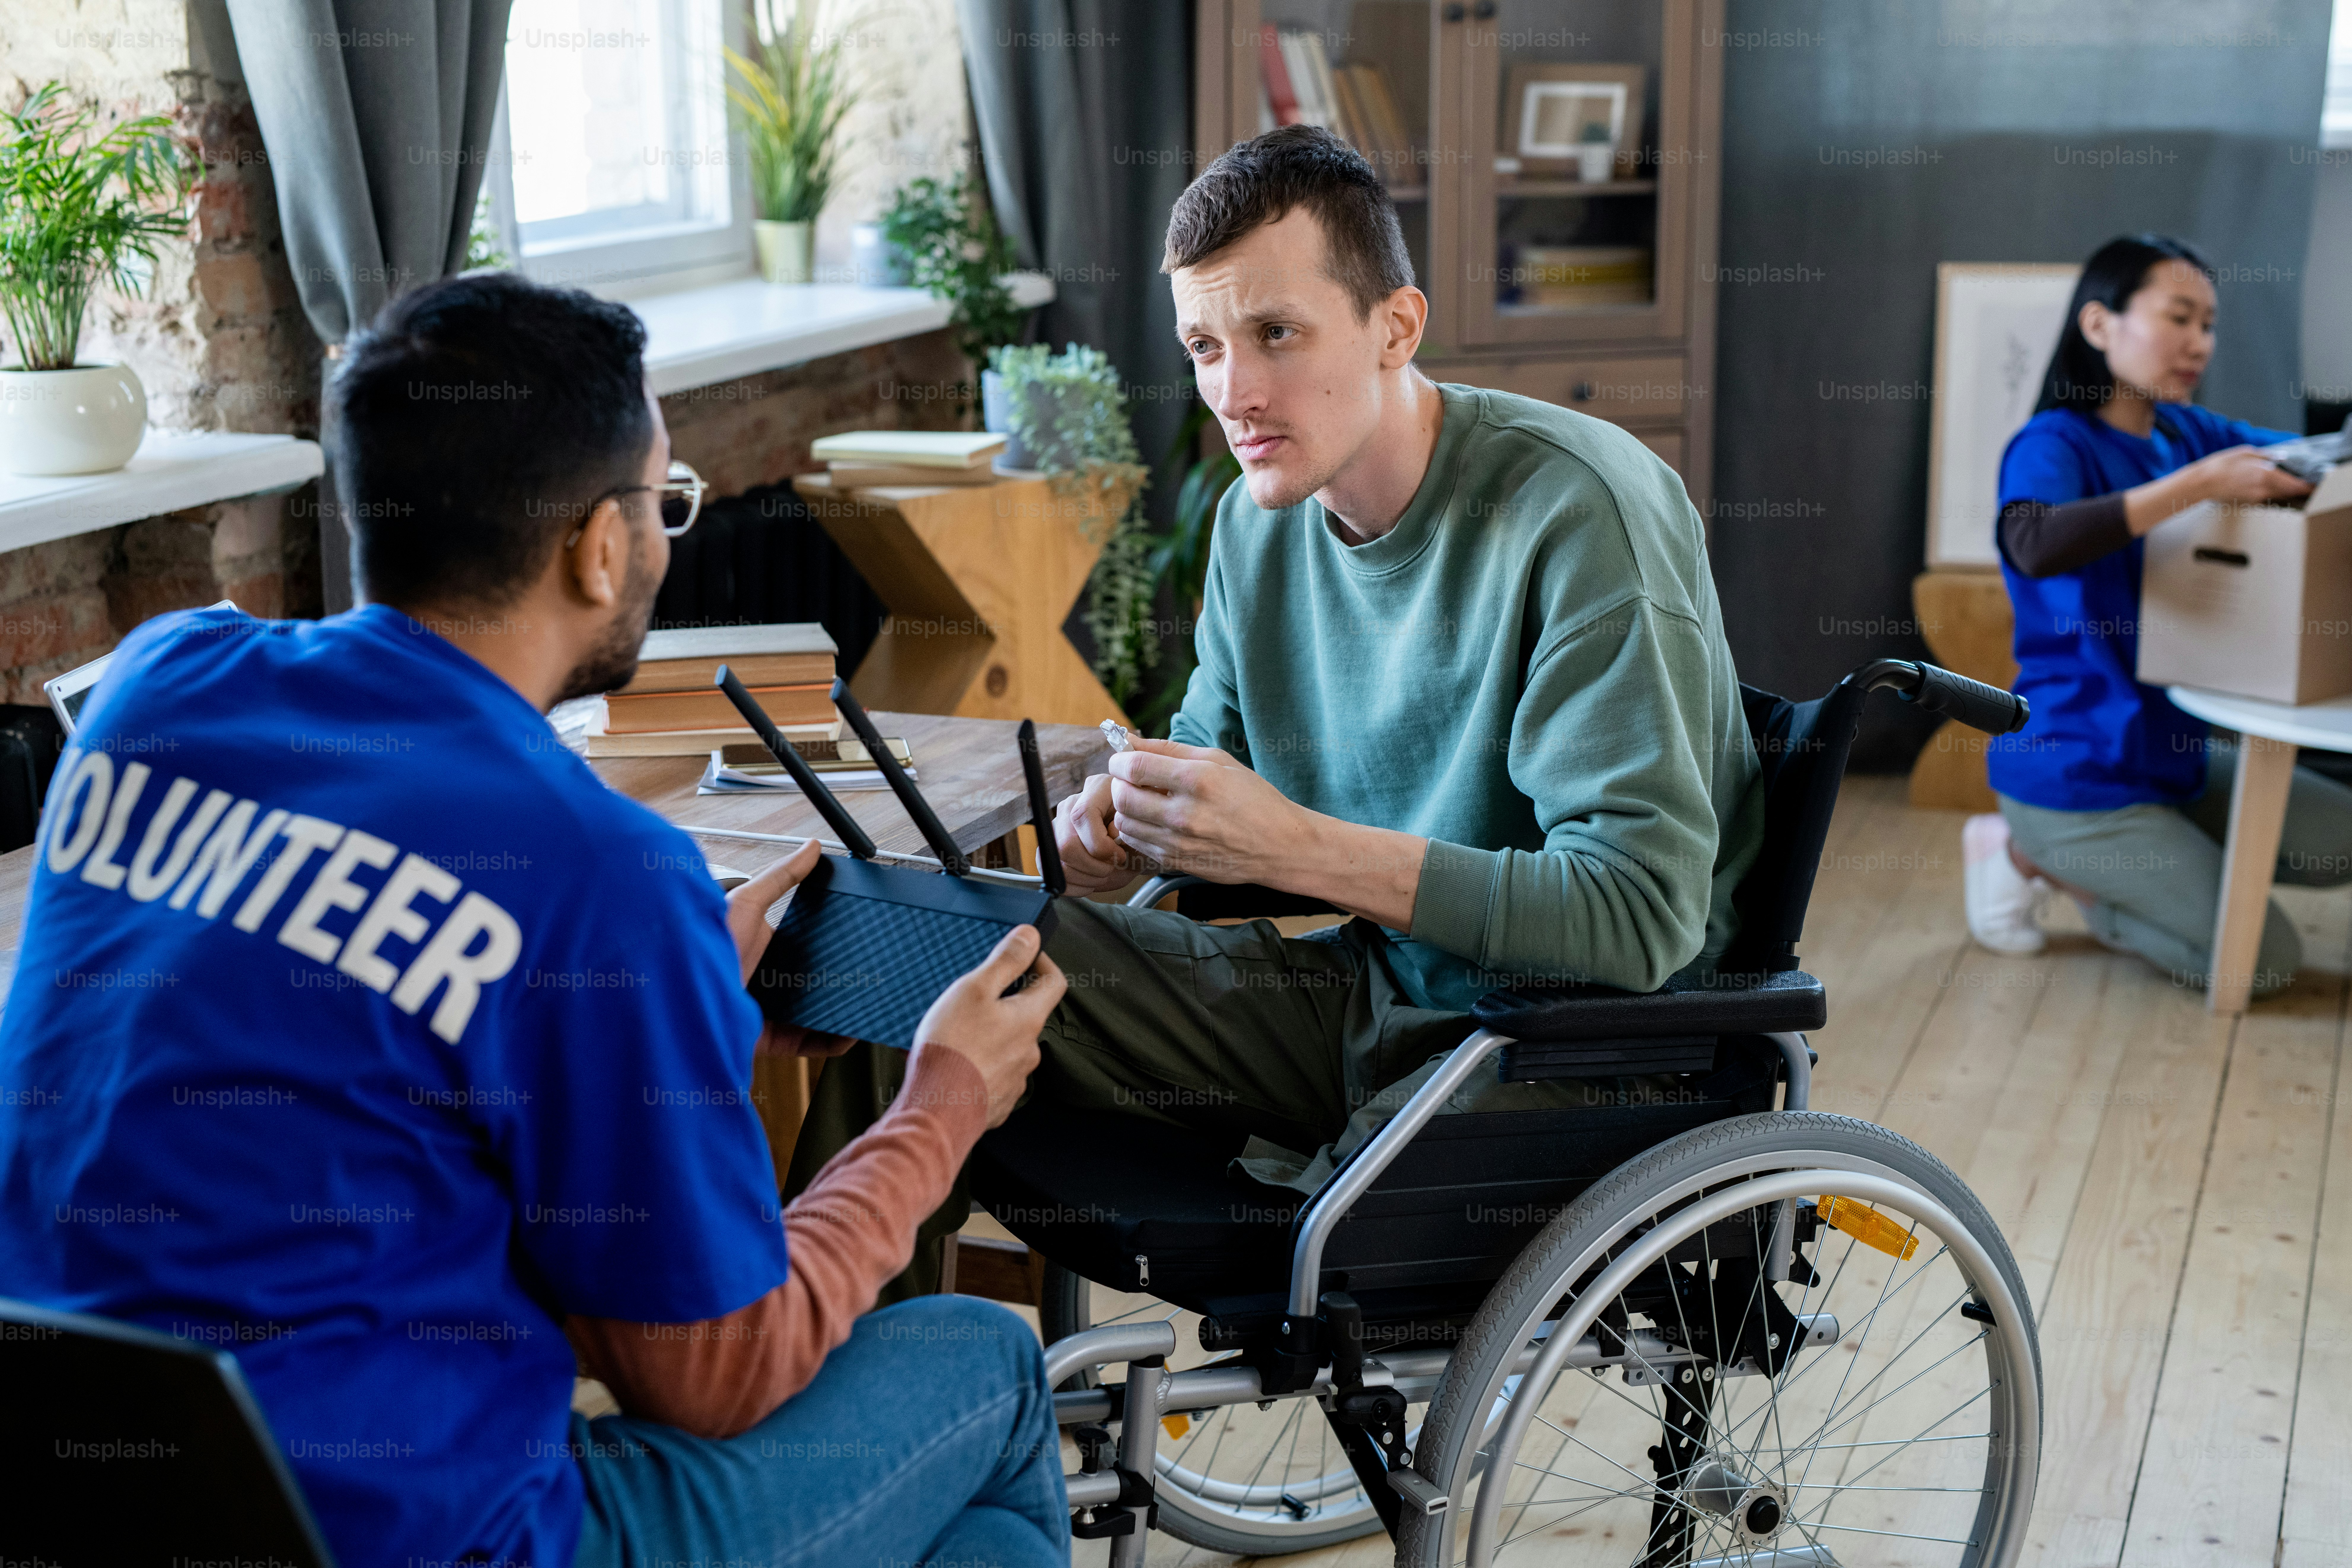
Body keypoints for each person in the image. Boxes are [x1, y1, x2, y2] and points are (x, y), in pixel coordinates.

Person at [0, 274, 1072, 1568]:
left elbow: (338, 1026)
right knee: (992, 1367)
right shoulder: (600, 872)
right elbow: (720, 1373)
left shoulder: (159, 684)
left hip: (84, 1499)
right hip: (413, 1540)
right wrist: (939, 1104)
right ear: (598, 545)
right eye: (665, 503)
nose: (666, 542)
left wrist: (670, 1008)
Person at [790, 125, 1763, 1296]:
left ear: (1396, 327)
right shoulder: (1262, 519)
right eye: (1204, 345)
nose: (1234, 392)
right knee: (916, 953)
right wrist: (1126, 828)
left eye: (1277, 334)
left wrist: (1299, 847)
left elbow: (1643, 915)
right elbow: (1212, 757)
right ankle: (819, 1394)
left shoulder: (1579, 514)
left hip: (1569, 1053)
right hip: (1368, 998)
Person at [1965, 233, 2352, 991]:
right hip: (2072, 771)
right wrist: (2200, 485)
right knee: (2263, 962)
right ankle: (2030, 856)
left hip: (2170, 749)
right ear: (2100, 323)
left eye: (2208, 325)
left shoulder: (2187, 432)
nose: (2198, 343)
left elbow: (2312, 458)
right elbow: (2033, 539)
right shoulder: (2055, 442)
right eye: (2178, 317)